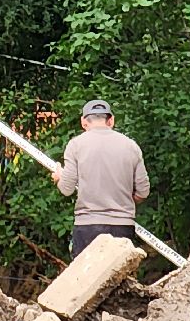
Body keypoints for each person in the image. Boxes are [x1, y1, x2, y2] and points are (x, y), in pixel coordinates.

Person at [51, 99, 151, 258]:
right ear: (111, 120)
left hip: (87, 227)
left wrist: (59, 178)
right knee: (120, 280)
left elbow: (67, 189)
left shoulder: (76, 145)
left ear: (84, 122)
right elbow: (143, 192)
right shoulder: (130, 146)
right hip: (122, 227)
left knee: (86, 280)